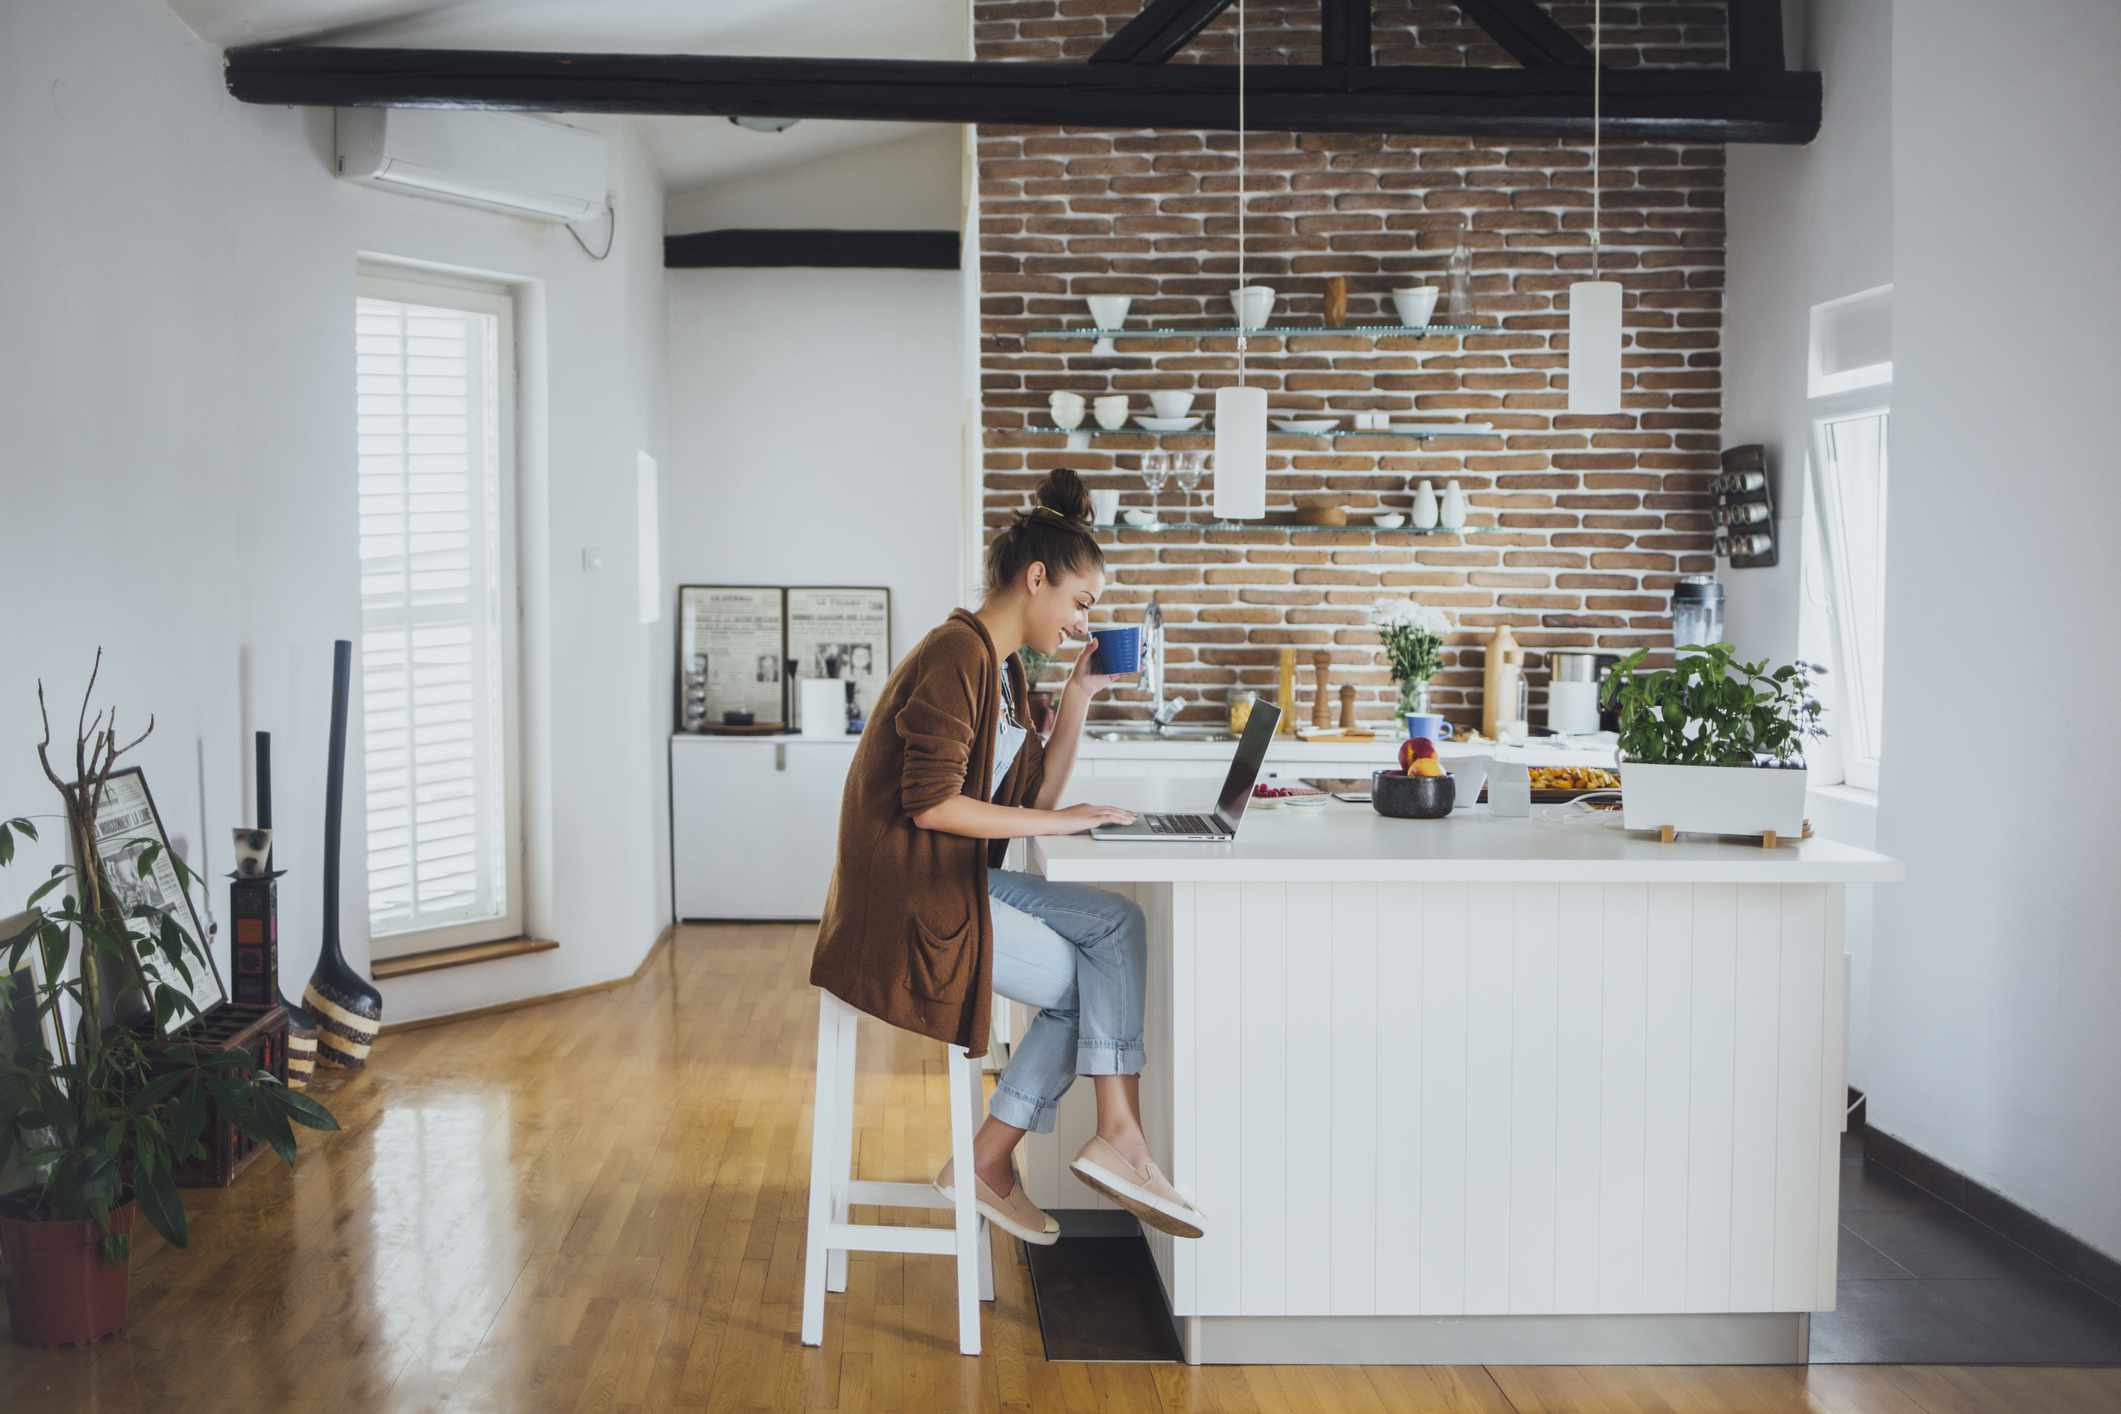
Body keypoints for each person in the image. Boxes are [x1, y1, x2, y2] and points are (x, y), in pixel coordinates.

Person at [809, 468, 1203, 1245]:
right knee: (1095, 983)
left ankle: (1100, 1140)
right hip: (909, 901)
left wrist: (1080, 695)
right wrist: (1061, 823)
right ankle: (1028, 1154)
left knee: (1117, 927)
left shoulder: (1004, 669)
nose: (1083, 623)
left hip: (954, 880)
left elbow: (1035, 799)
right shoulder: (956, 655)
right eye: (1081, 603)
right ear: (1035, 578)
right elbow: (931, 805)